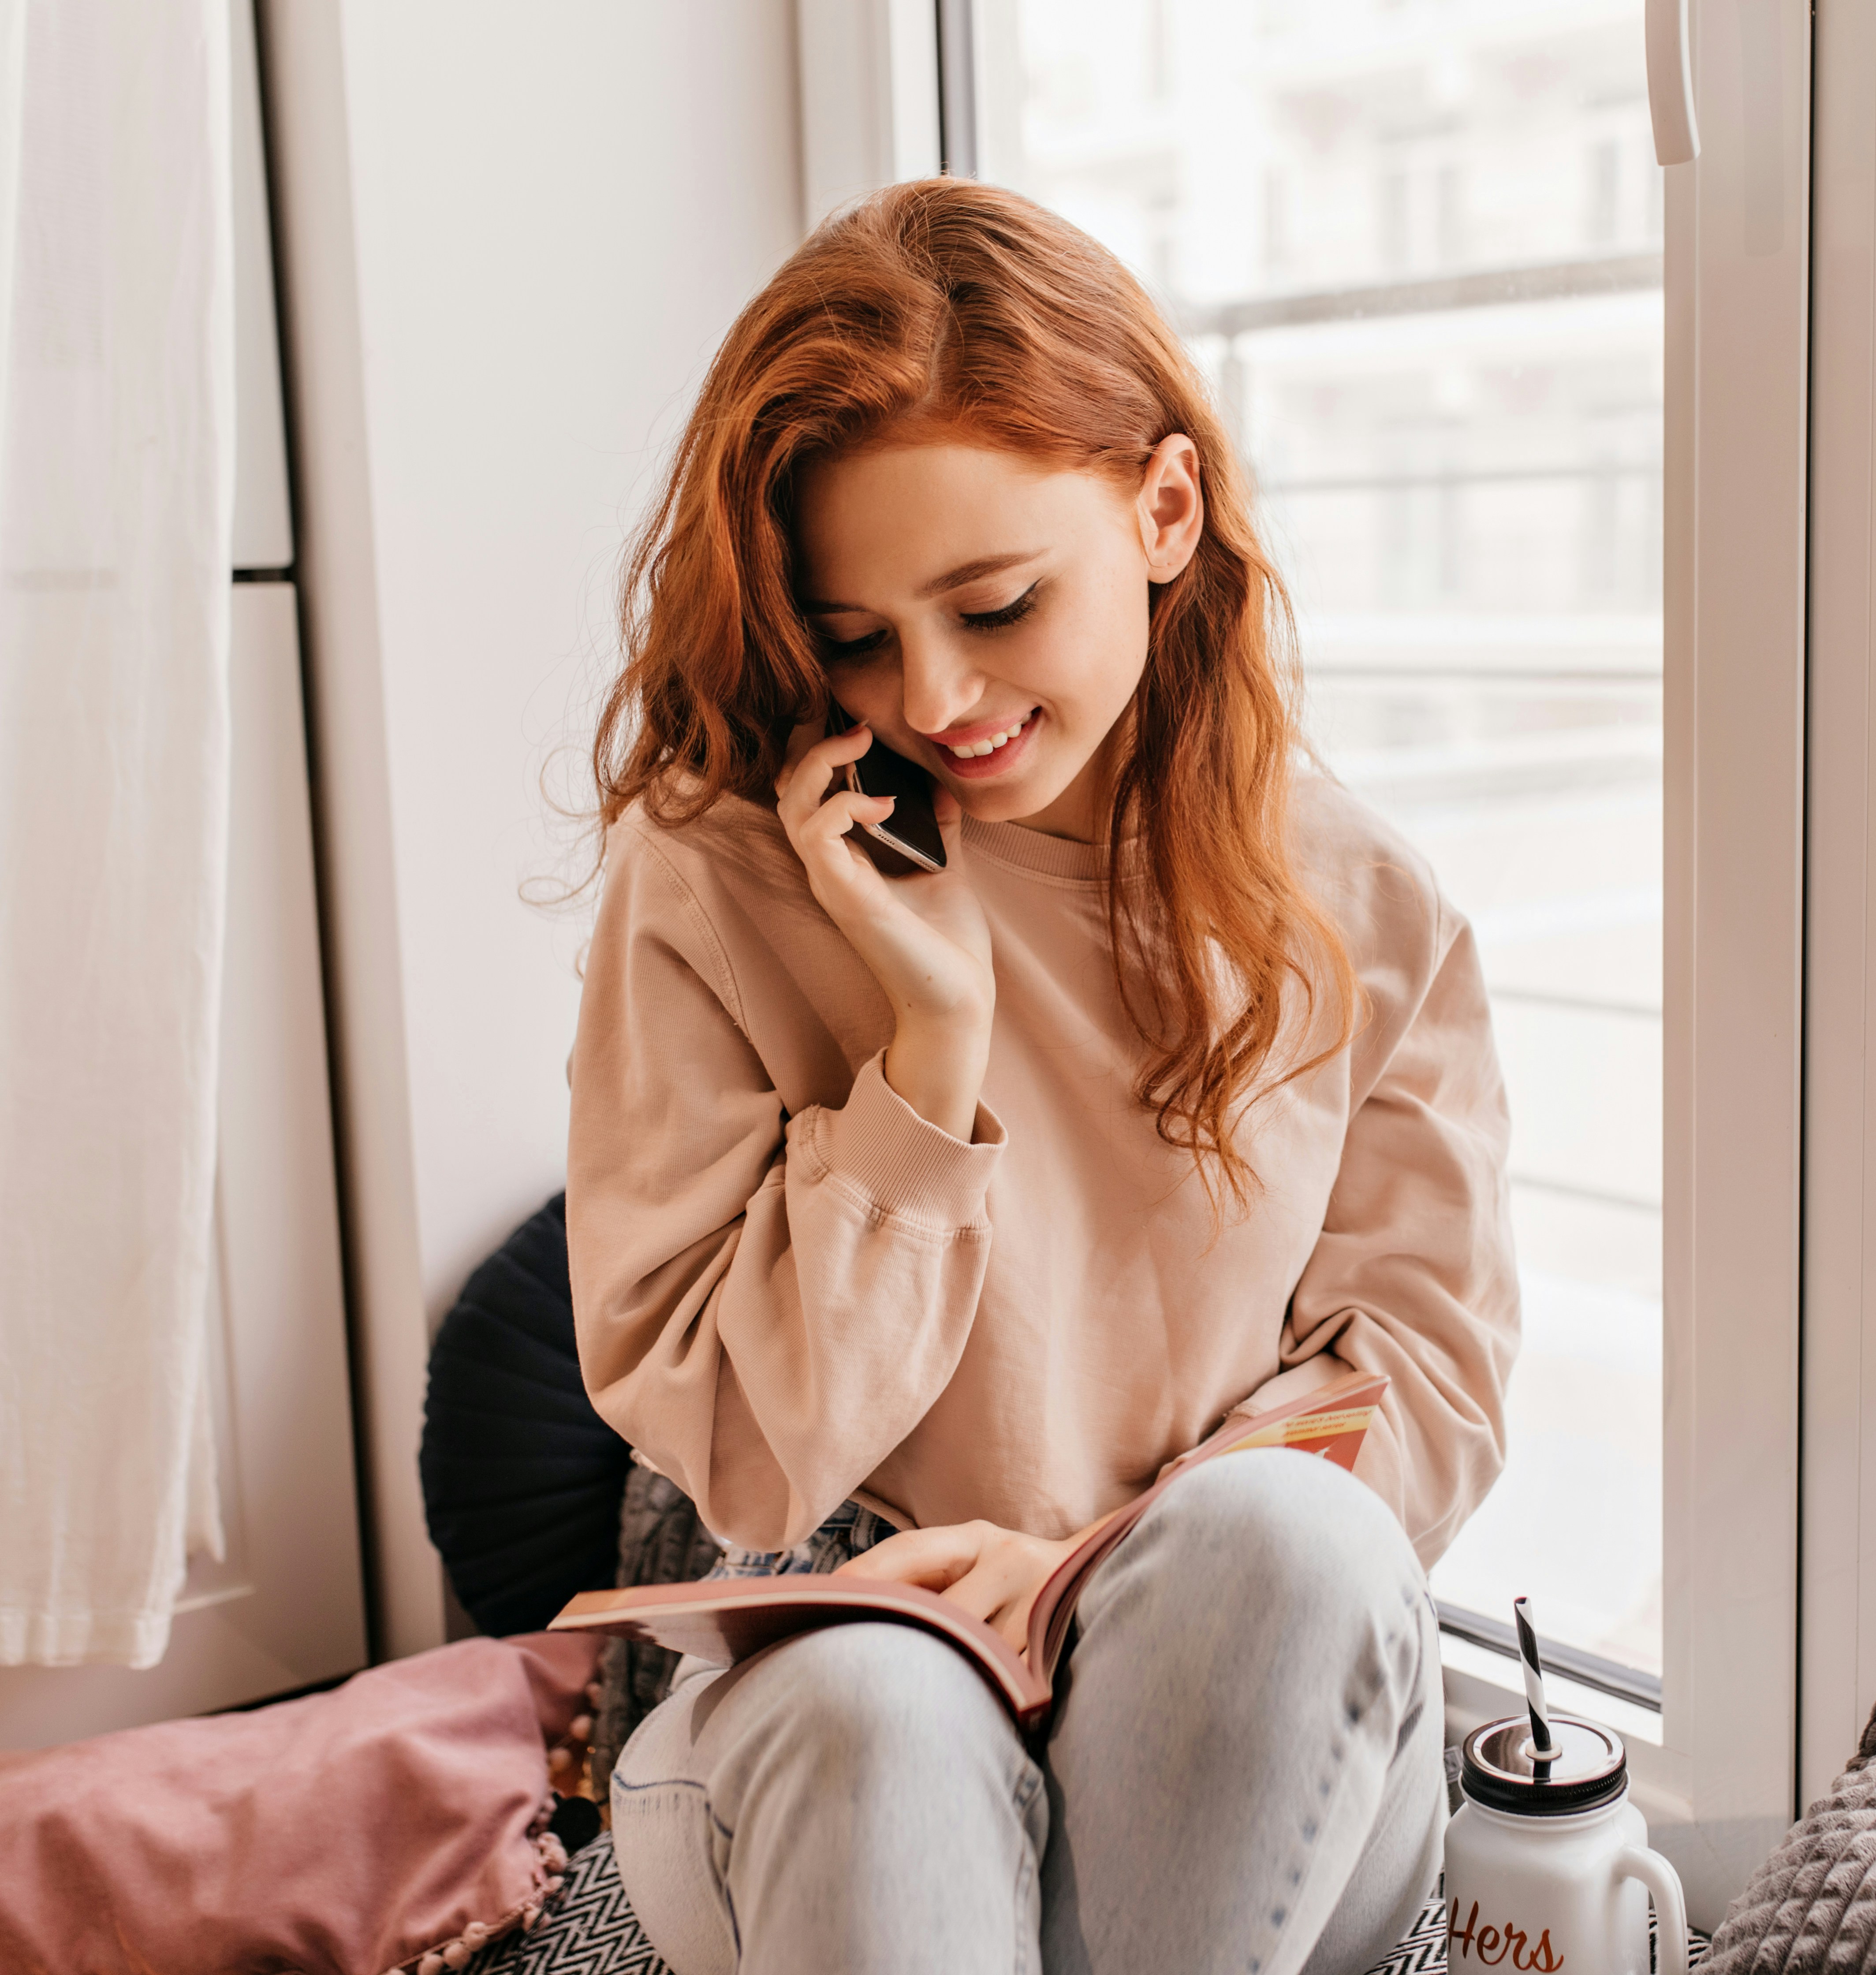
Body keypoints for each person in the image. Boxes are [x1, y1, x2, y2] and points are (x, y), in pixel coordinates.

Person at [566, 177, 1520, 1975]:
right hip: (839, 1697)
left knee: (1289, 1550)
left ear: (1164, 509)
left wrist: (1094, 1567)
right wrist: (929, 1057)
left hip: (1259, 1727)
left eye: (994, 603)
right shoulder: (724, 876)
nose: (934, 694)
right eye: (856, 634)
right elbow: (754, 1467)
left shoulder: (1366, 906)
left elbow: (1424, 1387)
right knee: (880, 1718)